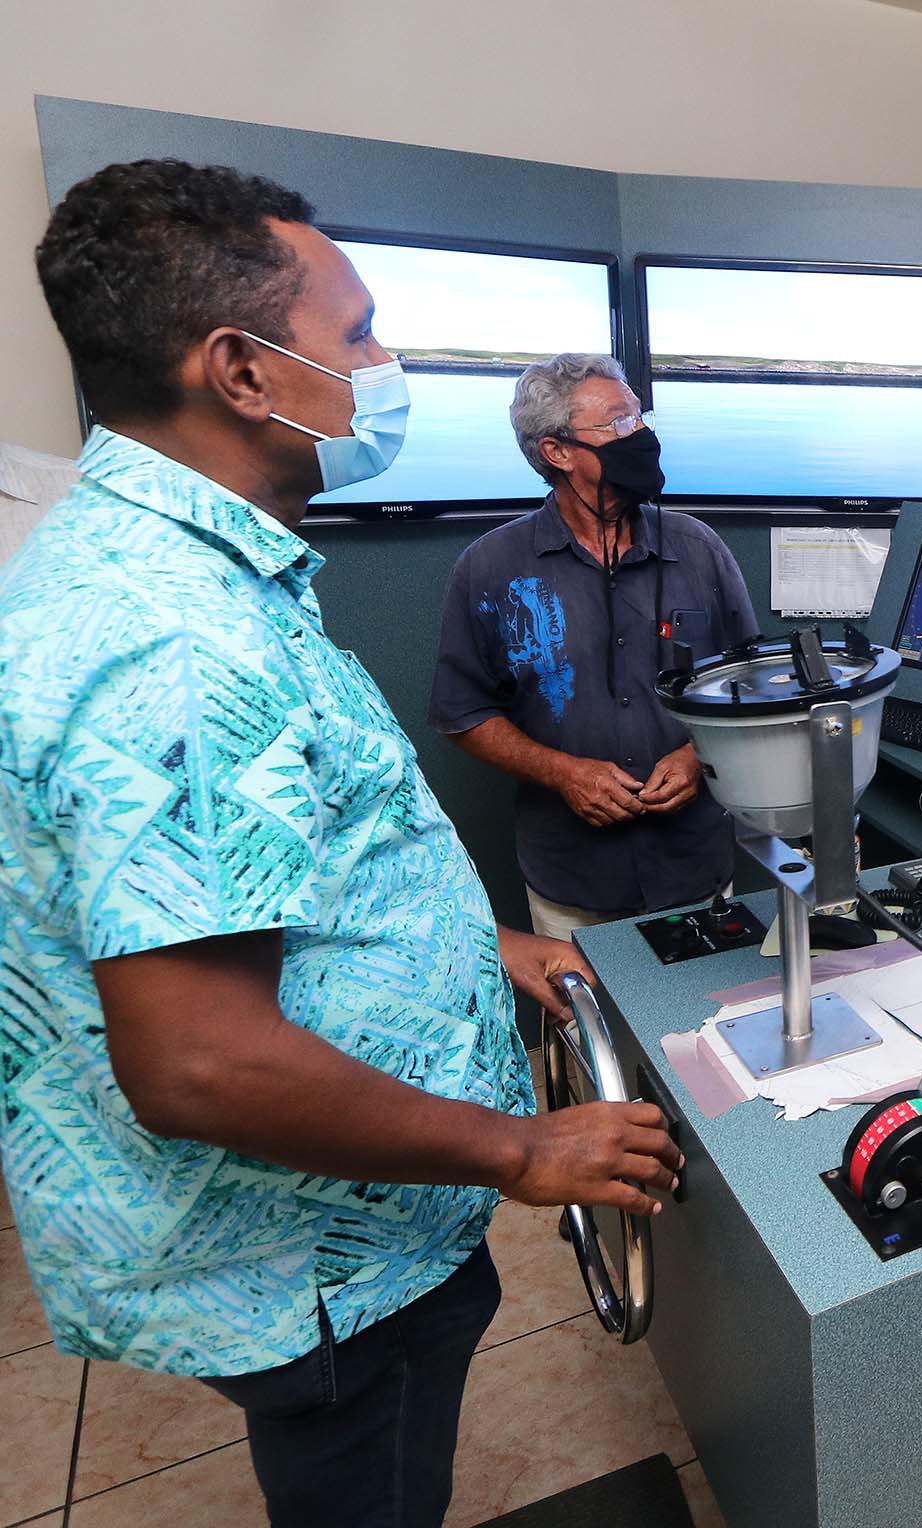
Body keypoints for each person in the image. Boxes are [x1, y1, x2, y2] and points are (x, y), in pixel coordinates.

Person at [2, 158, 683, 1528]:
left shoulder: (198, 575)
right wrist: (522, 1151)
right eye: (359, 332)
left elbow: (296, 861)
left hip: (350, 1244)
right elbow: (198, 1057)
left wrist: (481, 945)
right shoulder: (169, 636)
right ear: (242, 372)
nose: (386, 364)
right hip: (316, 1268)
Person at [430, 352, 759, 940]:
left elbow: (749, 677)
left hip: (696, 867)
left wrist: (697, 757)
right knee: (589, 1034)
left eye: (639, 417)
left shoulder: (699, 548)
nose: (640, 436)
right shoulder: (490, 568)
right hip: (572, 882)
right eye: (617, 424)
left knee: (708, 1027)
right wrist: (561, 773)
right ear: (556, 451)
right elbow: (463, 714)